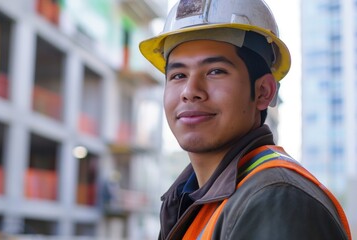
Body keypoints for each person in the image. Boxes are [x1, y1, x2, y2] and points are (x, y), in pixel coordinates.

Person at [139, 0, 352, 239]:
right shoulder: (195, 201)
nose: (190, 90)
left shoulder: (275, 200)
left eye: (215, 71)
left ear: (263, 92)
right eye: (178, 75)